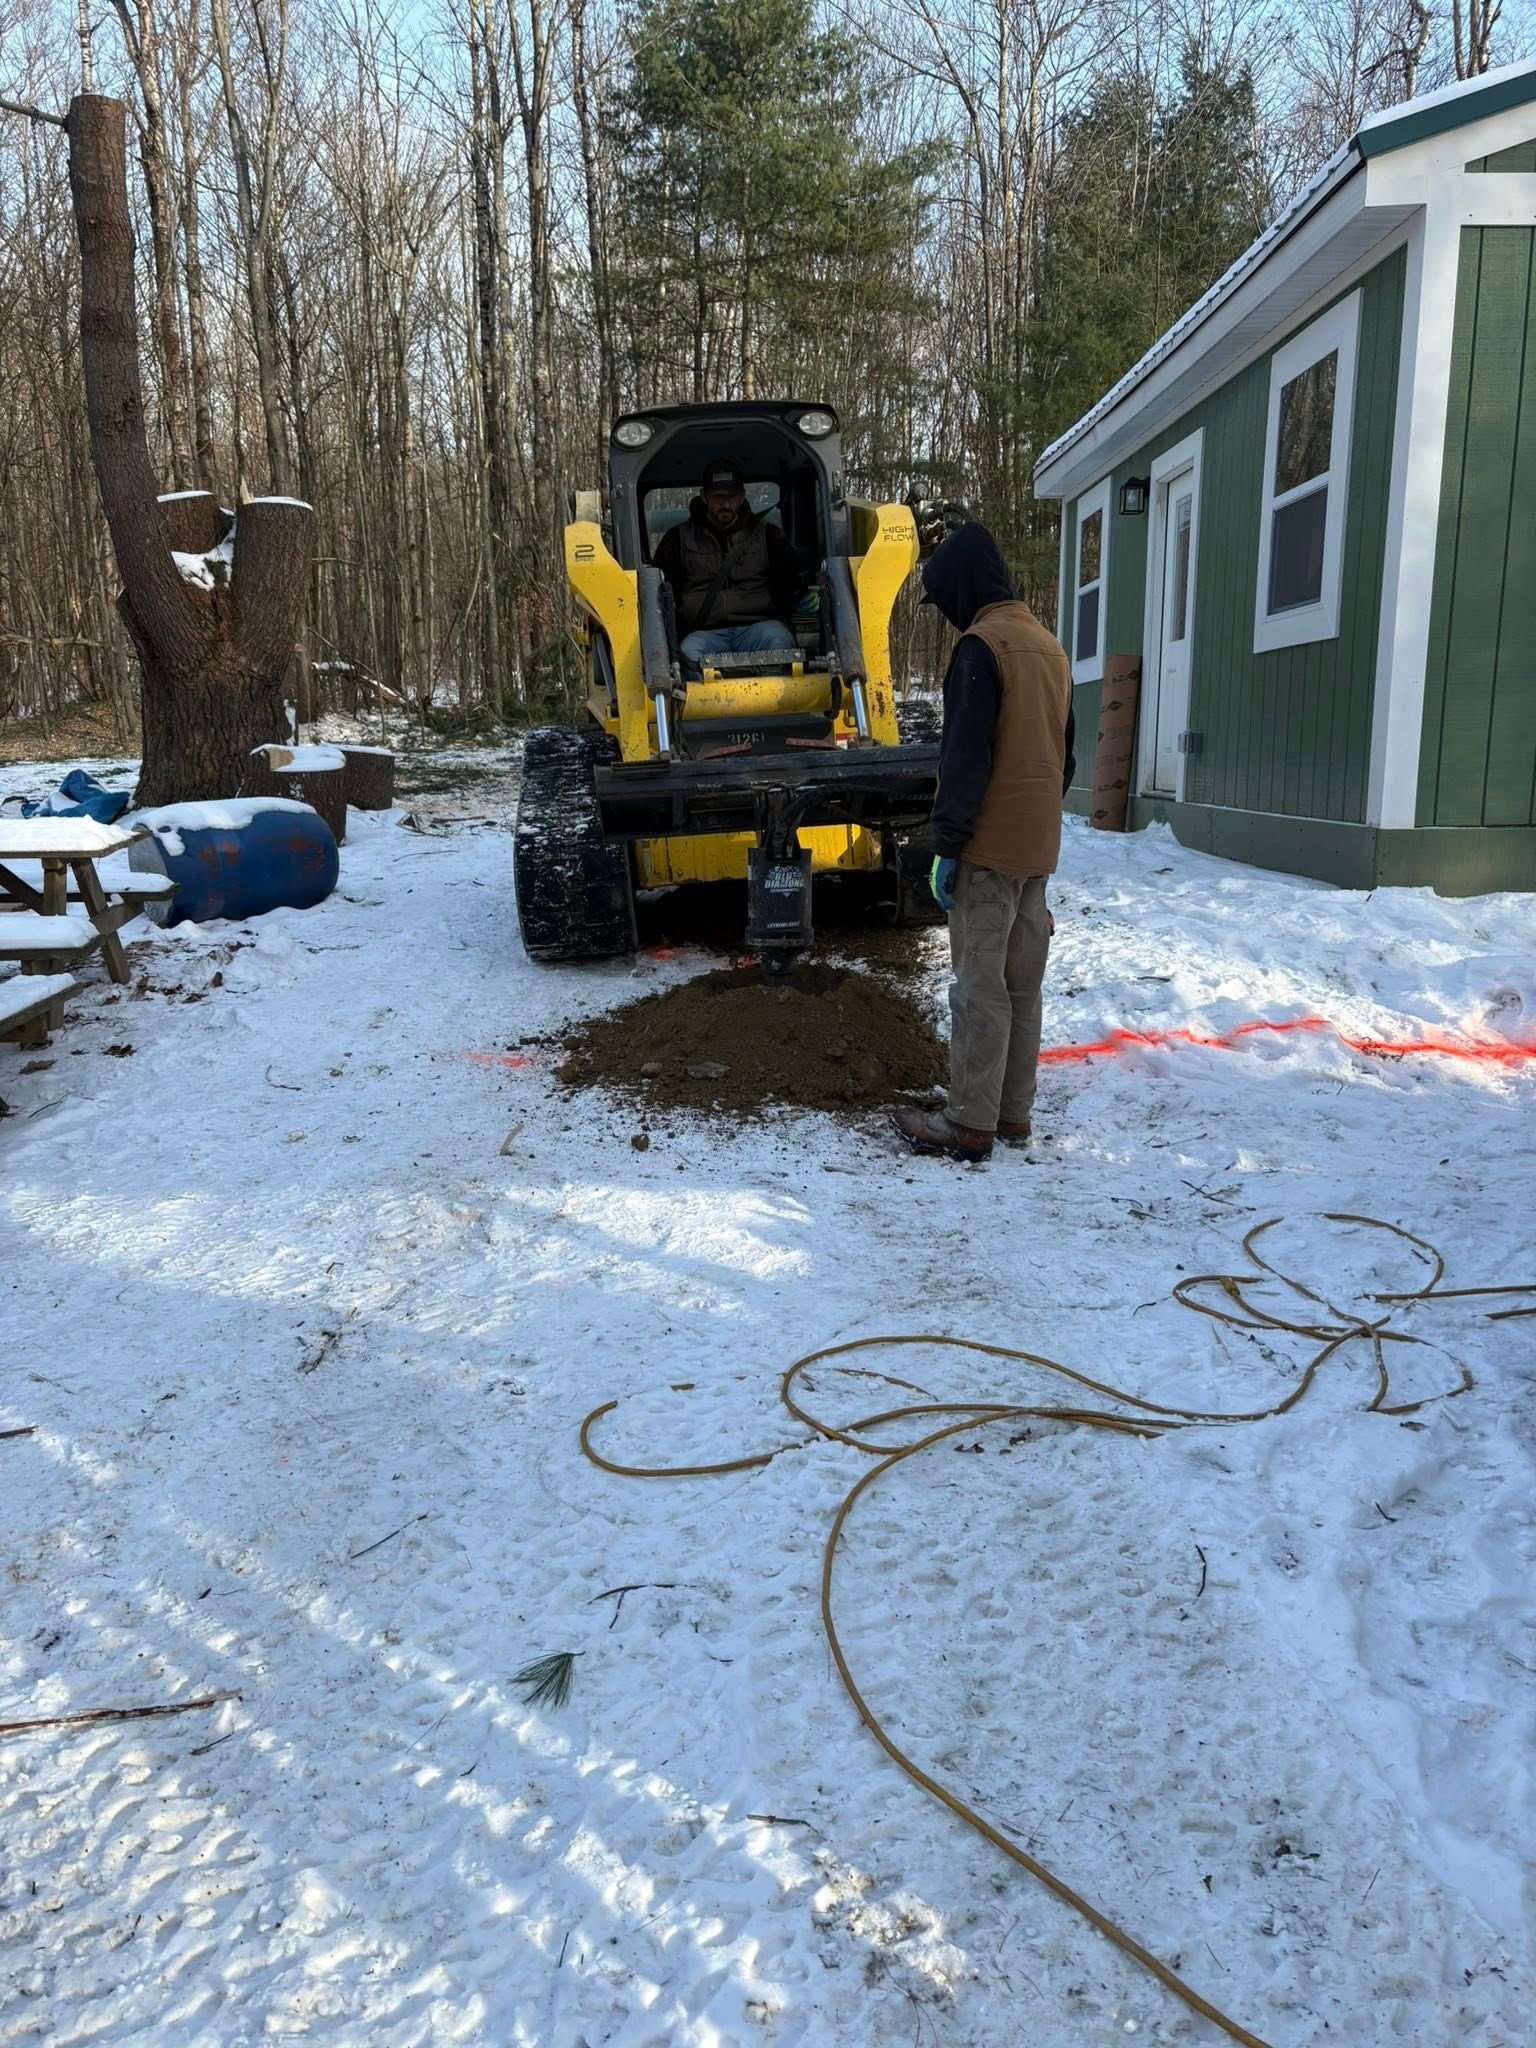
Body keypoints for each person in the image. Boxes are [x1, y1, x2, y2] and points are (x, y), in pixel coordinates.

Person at [892, 519, 1075, 1164]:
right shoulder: (1050, 648)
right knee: (1023, 986)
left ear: (965, 588)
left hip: (990, 852)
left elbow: (964, 758)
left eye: (945, 604)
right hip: (1038, 849)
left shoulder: (981, 648)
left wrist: (949, 843)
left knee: (980, 987)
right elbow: (1066, 760)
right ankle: (1012, 1115)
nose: (946, 618)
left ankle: (970, 1123)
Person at [653, 459, 799, 673]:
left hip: (758, 628)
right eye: (718, 497)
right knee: (688, 654)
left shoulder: (769, 536)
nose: (726, 505)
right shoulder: (677, 540)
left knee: (780, 642)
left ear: (741, 497)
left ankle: (775, 706)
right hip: (704, 634)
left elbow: (791, 584)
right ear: (704, 497)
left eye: (731, 497)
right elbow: (661, 592)